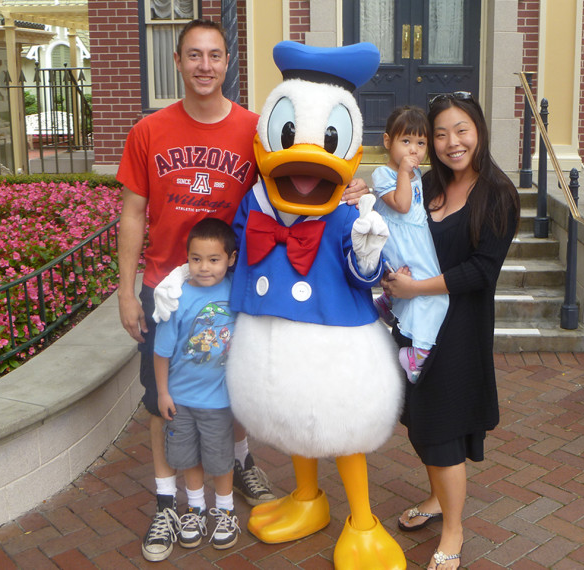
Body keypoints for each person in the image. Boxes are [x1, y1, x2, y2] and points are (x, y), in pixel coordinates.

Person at [115, 19, 369, 562]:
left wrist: (352, 190)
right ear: (178, 62)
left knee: (233, 392)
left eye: (215, 55)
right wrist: (127, 290)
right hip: (168, 286)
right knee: (166, 403)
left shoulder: (258, 127)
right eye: (194, 56)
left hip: (236, 291)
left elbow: (300, 183)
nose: (205, 66)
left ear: (227, 63)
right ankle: (170, 505)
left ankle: (239, 472)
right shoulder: (149, 130)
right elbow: (132, 213)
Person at [382, 92, 520, 570]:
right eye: (439, 133)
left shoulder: (498, 195)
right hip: (415, 325)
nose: (449, 142)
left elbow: (482, 271)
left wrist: (417, 286)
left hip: (458, 332)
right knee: (420, 422)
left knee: (441, 428)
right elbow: (397, 226)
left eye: (460, 129)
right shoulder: (424, 185)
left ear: (478, 131)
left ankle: (455, 530)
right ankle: (439, 499)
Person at [153, 219, 240, 558]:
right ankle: (195, 509)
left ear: (230, 259)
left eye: (214, 259)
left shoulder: (236, 290)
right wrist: (162, 393)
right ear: (186, 258)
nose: (204, 267)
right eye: (196, 259)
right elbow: (161, 352)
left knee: (220, 458)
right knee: (187, 457)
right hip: (181, 399)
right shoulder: (175, 298)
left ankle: (225, 510)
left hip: (219, 400)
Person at [371, 105, 448, 383]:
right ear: (388, 141)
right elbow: (402, 205)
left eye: (420, 143)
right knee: (433, 293)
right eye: (406, 141)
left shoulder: (416, 176)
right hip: (399, 242)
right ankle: (416, 354)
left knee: (430, 290)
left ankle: (388, 302)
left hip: (416, 240)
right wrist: (403, 171)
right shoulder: (383, 173)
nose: (413, 150)